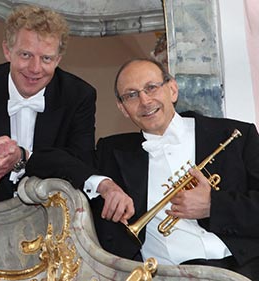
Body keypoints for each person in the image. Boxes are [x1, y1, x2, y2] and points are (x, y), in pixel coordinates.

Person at [88, 58, 259, 280]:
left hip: (245, 269)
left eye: (151, 87)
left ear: (172, 89)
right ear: (122, 108)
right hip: (166, 275)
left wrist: (213, 206)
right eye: (131, 95)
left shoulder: (236, 135)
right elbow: (60, 161)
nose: (144, 100)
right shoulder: (110, 151)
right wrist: (105, 185)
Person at [0, 4, 97, 208]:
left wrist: (24, 157)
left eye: (46, 58)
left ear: (58, 60)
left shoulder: (78, 96)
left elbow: (82, 169)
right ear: (7, 51)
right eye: (26, 55)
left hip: (55, 223)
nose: (35, 68)